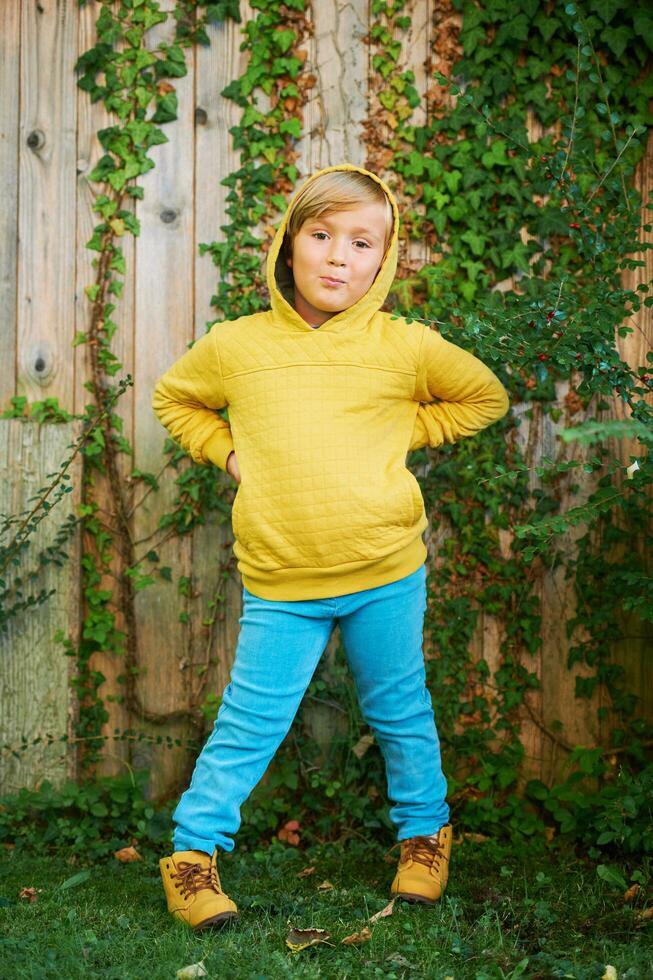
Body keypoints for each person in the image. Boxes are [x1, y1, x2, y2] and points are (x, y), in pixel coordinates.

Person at [153, 163, 509, 930]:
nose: (337, 256)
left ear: (382, 261)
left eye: (359, 242)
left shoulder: (403, 347)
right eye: (320, 236)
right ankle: (190, 857)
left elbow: (483, 396)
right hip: (283, 579)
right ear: (289, 245)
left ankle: (423, 839)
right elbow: (174, 399)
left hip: (385, 572)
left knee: (398, 710)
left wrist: (404, 430)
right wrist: (229, 453)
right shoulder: (235, 347)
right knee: (250, 721)